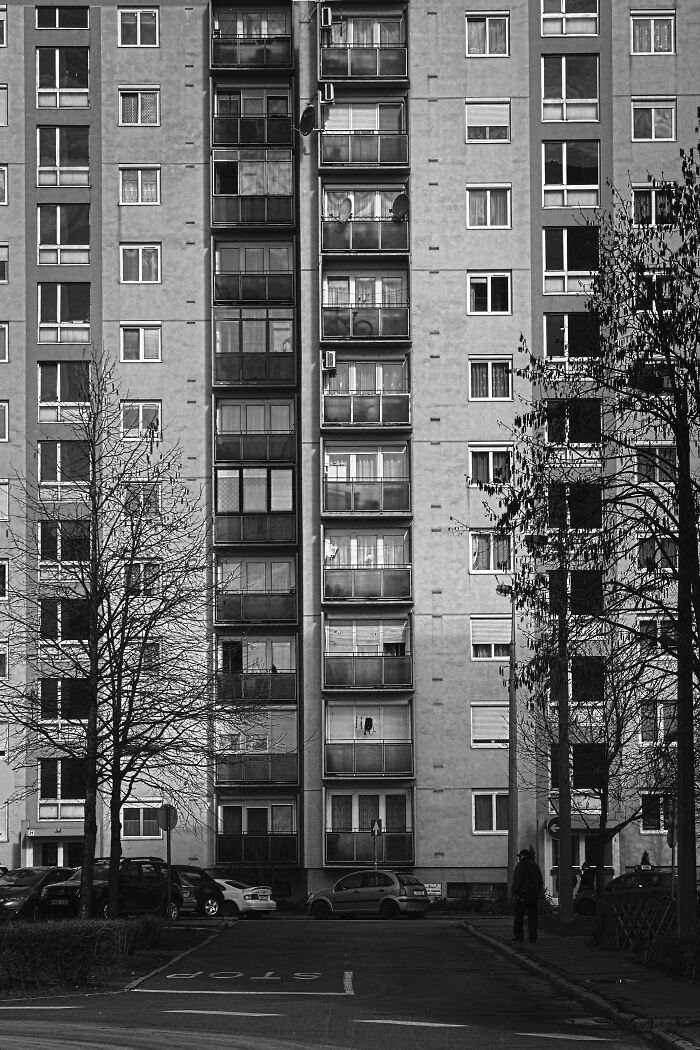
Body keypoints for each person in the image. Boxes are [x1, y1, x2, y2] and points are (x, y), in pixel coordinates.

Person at [512, 847, 544, 943]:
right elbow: (540, 881)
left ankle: (519, 936)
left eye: (520, 856)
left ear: (523, 856)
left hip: (522, 895)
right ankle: (533, 937)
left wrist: (514, 892)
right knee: (533, 917)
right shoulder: (535, 865)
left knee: (519, 917)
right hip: (533, 895)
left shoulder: (520, 866)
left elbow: (517, 881)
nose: (519, 858)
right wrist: (536, 891)